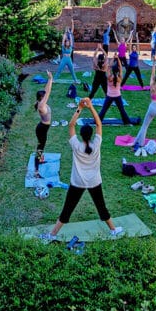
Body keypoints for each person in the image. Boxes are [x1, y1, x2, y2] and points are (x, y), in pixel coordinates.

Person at [40, 98, 124, 241]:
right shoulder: (96, 144)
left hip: (77, 182)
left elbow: (71, 126)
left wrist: (79, 108)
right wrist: (91, 107)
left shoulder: (76, 146)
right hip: (94, 181)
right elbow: (98, 123)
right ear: (91, 135)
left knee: (67, 209)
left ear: (81, 135)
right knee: (101, 207)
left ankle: (52, 234)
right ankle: (114, 230)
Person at [132, 56, 156, 152]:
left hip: (152, 107)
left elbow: (153, 74)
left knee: (145, 126)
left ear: (155, 80)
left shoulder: (152, 86)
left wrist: (153, 63)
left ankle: (140, 143)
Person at [33, 71, 53, 178]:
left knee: (41, 147)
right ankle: (36, 171)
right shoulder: (41, 106)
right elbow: (48, 92)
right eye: (44, 96)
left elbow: (46, 91)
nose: (46, 97)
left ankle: (39, 161)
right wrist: (50, 80)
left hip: (43, 127)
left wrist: (49, 79)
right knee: (40, 148)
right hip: (42, 129)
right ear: (42, 98)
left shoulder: (41, 102)